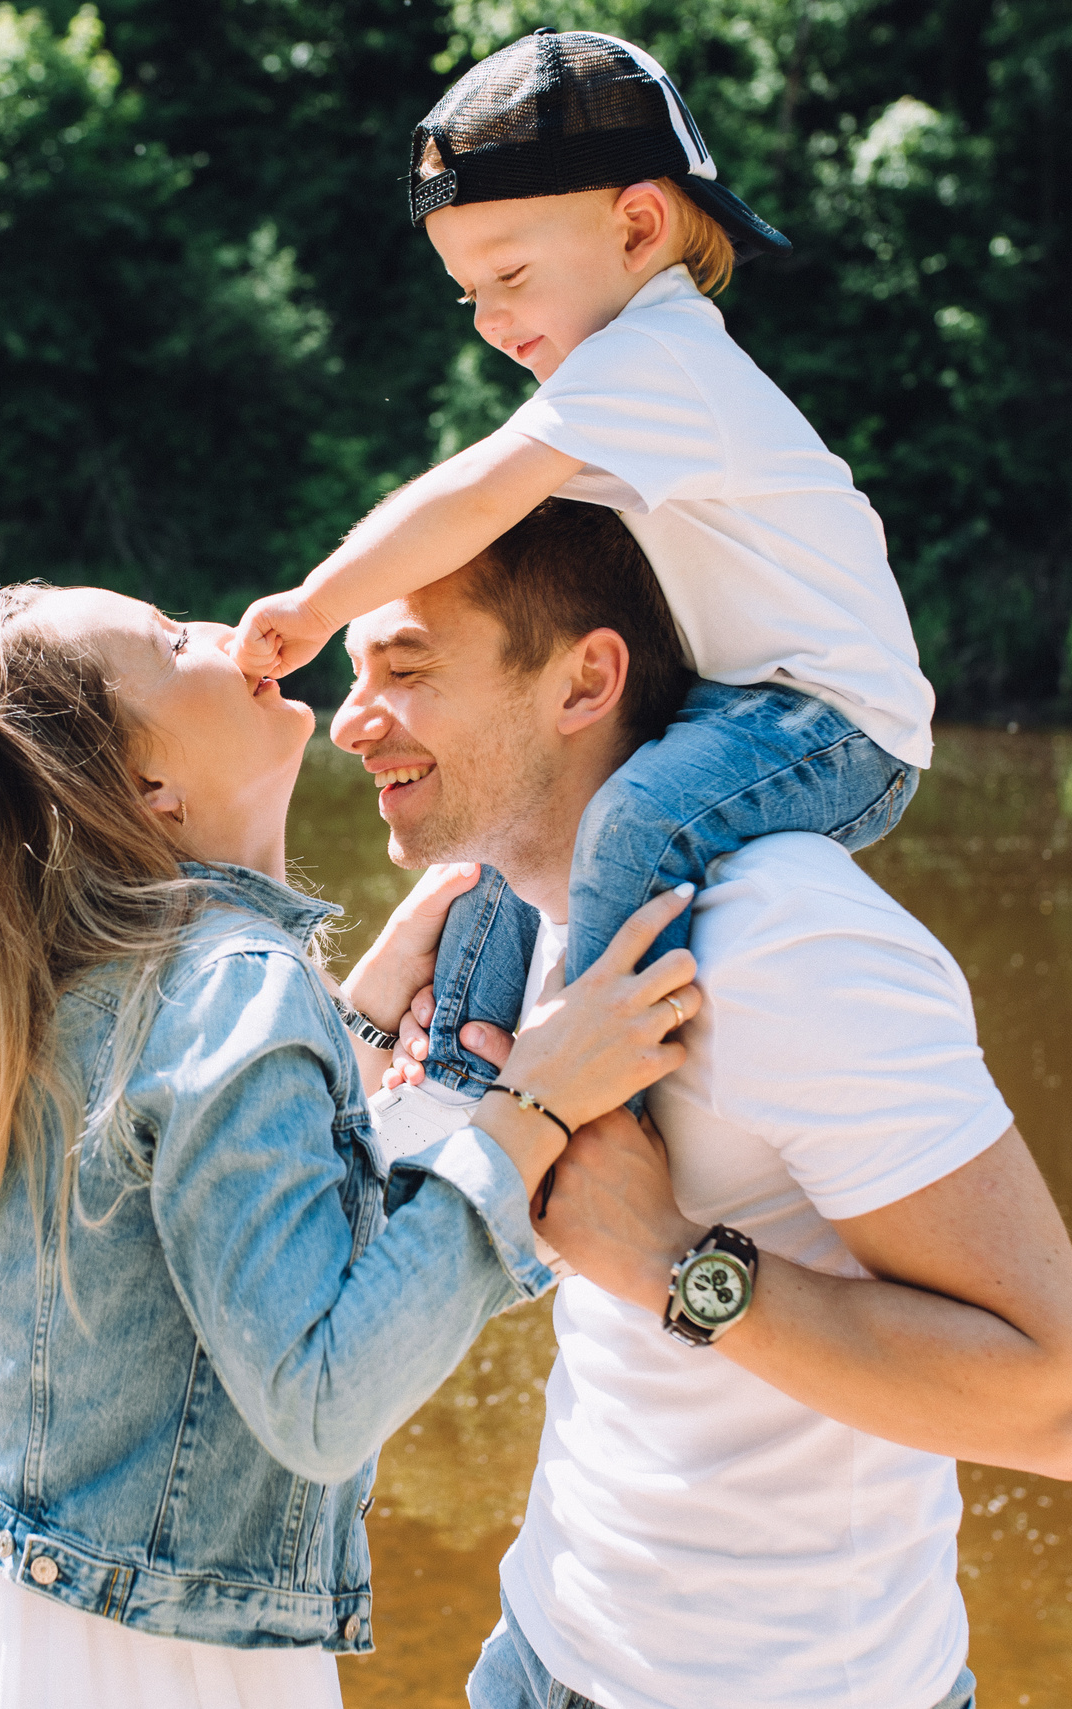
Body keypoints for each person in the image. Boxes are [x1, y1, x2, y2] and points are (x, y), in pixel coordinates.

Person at [0, 582, 703, 1708]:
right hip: (161, 1661)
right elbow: (320, 1398)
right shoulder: (234, 986)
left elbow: (177, 1247)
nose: (226, 629)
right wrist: (533, 1110)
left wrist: (347, 1031)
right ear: (148, 785)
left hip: (15, 1611)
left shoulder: (81, 964)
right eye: (171, 640)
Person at [333, 501, 1072, 1709]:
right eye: (351, 674)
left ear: (586, 678)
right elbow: (356, 1279)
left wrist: (668, 1259)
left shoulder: (782, 937)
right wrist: (376, 1023)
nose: (350, 720)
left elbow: (1054, 1404)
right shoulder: (521, 923)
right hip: (540, 1650)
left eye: (407, 668)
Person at [230, 29, 931, 1096]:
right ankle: (459, 1088)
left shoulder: (662, 359)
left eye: (508, 276)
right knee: (511, 836)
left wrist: (320, 604)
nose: (490, 324)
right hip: (734, 708)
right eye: (467, 292)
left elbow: (473, 497)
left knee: (632, 824)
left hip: (835, 723)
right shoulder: (626, 377)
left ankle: (583, 1097)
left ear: (638, 225)